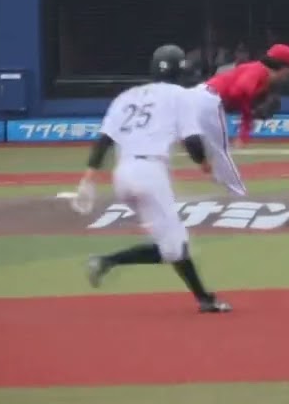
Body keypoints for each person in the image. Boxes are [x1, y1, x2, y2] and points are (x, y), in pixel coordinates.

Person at [77, 44, 232, 314]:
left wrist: (88, 178)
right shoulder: (180, 95)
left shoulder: (127, 96)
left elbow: (104, 141)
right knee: (176, 246)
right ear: (179, 71)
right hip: (150, 174)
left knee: (171, 244)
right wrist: (205, 165)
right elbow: (192, 140)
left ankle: (204, 298)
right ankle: (107, 261)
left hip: (122, 175)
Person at [188, 43, 289, 196]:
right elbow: (238, 92)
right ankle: (238, 194)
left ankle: (218, 177)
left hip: (199, 96)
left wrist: (244, 132)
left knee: (211, 147)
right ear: (283, 66)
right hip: (209, 99)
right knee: (221, 150)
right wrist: (249, 111)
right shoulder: (258, 70)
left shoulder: (260, 73)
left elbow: (242, 100)